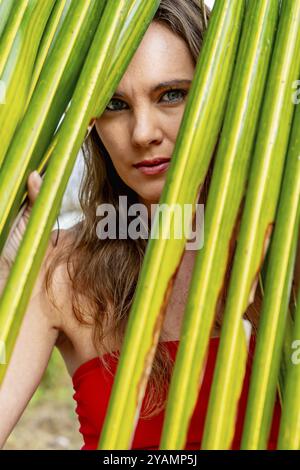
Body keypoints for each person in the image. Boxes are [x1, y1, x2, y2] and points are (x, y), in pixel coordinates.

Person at [0, 0, 294, 450]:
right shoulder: (61, 271)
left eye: (171, 94)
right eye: (115, 104)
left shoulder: (285, 256)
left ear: (224, 96)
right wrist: (8, 272)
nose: (142, 133)